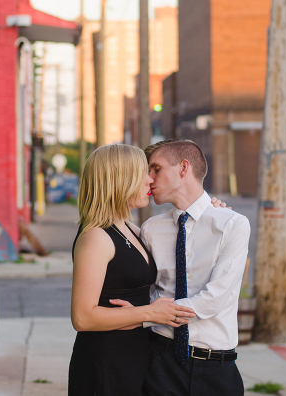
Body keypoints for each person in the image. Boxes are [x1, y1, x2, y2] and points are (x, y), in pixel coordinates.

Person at [113, 139, 250, 396]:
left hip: (216, 368)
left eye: (156, 169)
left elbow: (214, 299)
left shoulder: (232, 224)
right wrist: (142, 313)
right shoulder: (151, 229)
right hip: (160, 362)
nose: (149, 179)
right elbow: (148, 288)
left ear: (183, 168)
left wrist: (147, 315)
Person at [68, 144, 197, 396]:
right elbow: (82, 318)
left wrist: (212, 210)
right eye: (143, 173)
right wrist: (149, 313)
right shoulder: (96, 237)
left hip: (132, 358)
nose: (150, 180)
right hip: (104, 363)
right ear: (120, 179)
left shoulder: (130, 228)